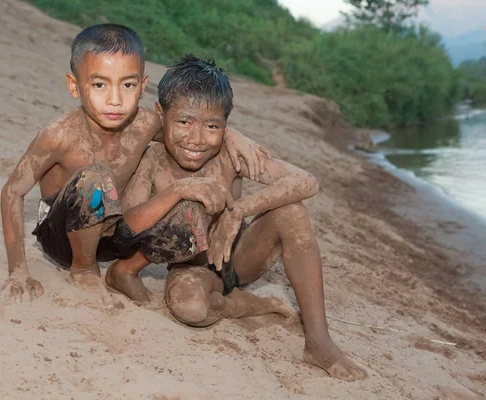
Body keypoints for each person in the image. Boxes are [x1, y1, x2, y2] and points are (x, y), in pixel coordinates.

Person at [105, 55, 368, 381]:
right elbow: (128, 223)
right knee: (189, 308)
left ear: (225, 128)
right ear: (162, 115)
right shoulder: (153, 160)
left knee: (291, 210)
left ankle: (319, 341)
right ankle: (246, 305)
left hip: (240, 254)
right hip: (194, 267)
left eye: (212, 127)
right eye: (184, 122)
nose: (197, 139)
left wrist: (239, 211)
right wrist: (179, 192)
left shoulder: (233, 153)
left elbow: (305, 181)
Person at [0, 24, 268, 304]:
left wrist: (232, 135)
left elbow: (190, 135)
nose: (115, 100)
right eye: (99, 84)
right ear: (74, 86)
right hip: (63, 239)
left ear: (142, 86)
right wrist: (18, 270)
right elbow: (12, 192)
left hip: (115, 237)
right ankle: (85, 270)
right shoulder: (58, 136)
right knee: (97, 178)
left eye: (127, 85)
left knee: (187, 201)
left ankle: (126, 269)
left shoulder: (144, 124)